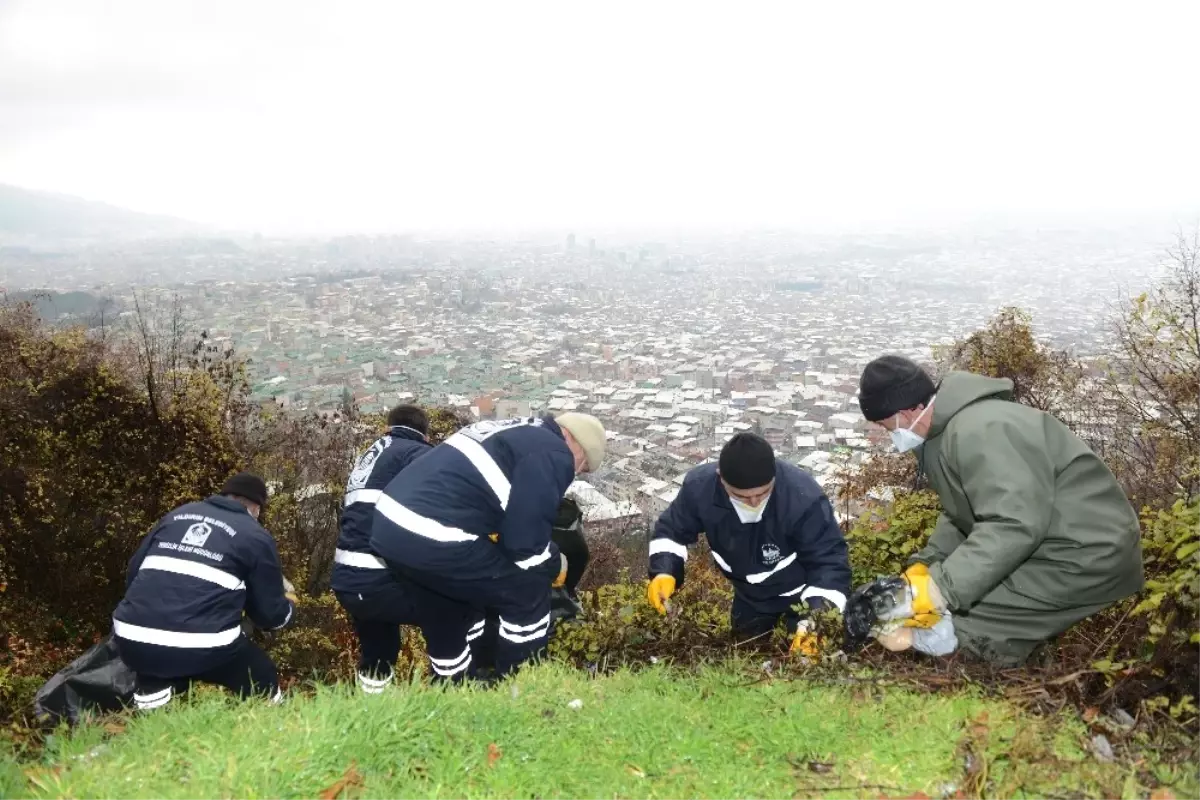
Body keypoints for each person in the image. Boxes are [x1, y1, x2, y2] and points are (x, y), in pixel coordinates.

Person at [855, 355, 1145, 666]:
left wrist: (939, 588)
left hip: (1083, 553)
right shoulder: (943, 436)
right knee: (952, 612)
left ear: (904, 411)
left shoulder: (981, 430)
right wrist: (925, 567)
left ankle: (988, 698)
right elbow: (959, 512)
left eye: (886, 426)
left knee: (964, 630)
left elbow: (1013, 523)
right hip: (1048, 545)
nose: (890, 435)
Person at [370, 412, 607, 680]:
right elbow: (525, 544)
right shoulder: (554, 451)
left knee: (450, 610)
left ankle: (453, 693)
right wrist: (554, 562)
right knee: (526, 591)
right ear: (573, 440)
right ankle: (520, 689)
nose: (575, 473)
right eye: (582, 465)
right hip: (432, 531)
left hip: (389, 527)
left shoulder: (511, 429)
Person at [647, 432, 852, 655]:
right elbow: (671, 530)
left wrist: (817, 620)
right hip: (749, 596)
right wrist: (664, 571)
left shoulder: (802, 496)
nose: (754, 502)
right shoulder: (700, 489)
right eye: (741, 496)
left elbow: (830, 562)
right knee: (746, 653)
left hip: (802, 592)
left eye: (763, 493)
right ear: (720, 478)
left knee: (805, 657)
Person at [112, 472, 296, 710]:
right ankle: (278, 724)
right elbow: (270, 616)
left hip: (131, 636)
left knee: (155, 665)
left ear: (224, 495)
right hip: (202, 644)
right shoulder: (255, 535)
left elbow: (133, 573)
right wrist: (289, 604)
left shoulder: (177, 515)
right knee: (259, 673)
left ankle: (152, 717)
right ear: (257, 508)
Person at [331, 404, 432, 694]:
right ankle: (456, 691)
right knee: (454, 614)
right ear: (424, 436)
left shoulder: (370, 455)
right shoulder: (416, 453)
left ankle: (371, 706)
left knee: (379, 648)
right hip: (379, 577)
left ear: (388, 428)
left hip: (349, 580)